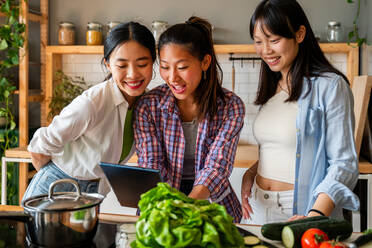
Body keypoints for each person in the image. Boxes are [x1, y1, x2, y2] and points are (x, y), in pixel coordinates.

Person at [241, 0, 360, 225]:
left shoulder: (330, 86)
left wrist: (314, 216)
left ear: (300, 34)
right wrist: (251, 172)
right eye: (258, 42)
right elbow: (285, 147)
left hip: (304, 208)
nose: (265, 50)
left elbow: (343, 163)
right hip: (256, 207)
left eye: (274, 40)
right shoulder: (271, 86)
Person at [23, 22, 156, 200]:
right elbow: (40, 146)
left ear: (153, 62)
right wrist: (53, 177)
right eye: (122, 66)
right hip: (57, 186)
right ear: (108, 65)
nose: (132, 74)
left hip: (94, 191)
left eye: (142, 64)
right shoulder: (93, 102)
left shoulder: (146, 104)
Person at [134, 16, 245, 222]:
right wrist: (171, 211)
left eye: (182, 67)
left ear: (205, 62)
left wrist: (187, 208)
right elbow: (151, 164)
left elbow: (217, 166)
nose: (172, 77)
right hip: (162, 205)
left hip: (212, 206)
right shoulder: (148, 106)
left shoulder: (231, 106)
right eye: (165, 67)